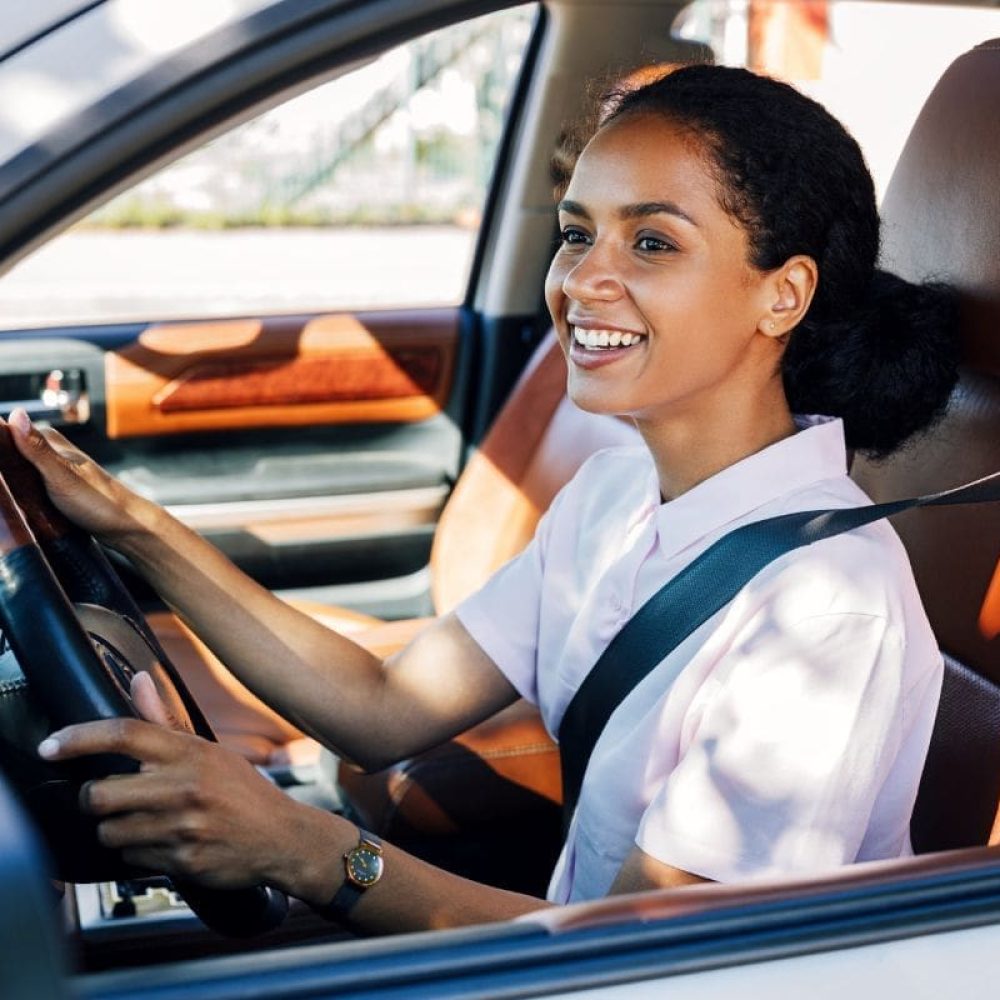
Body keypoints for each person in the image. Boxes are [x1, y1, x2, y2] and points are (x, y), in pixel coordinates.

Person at [19, 63, 957, 933]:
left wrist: (302, 846)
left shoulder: (825, 607)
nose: (582, 280)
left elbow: (653, 954)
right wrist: (131, 526)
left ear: (783, 295)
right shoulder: (615, 494)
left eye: (652, 242)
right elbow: (382, 705)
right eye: (577, 233)